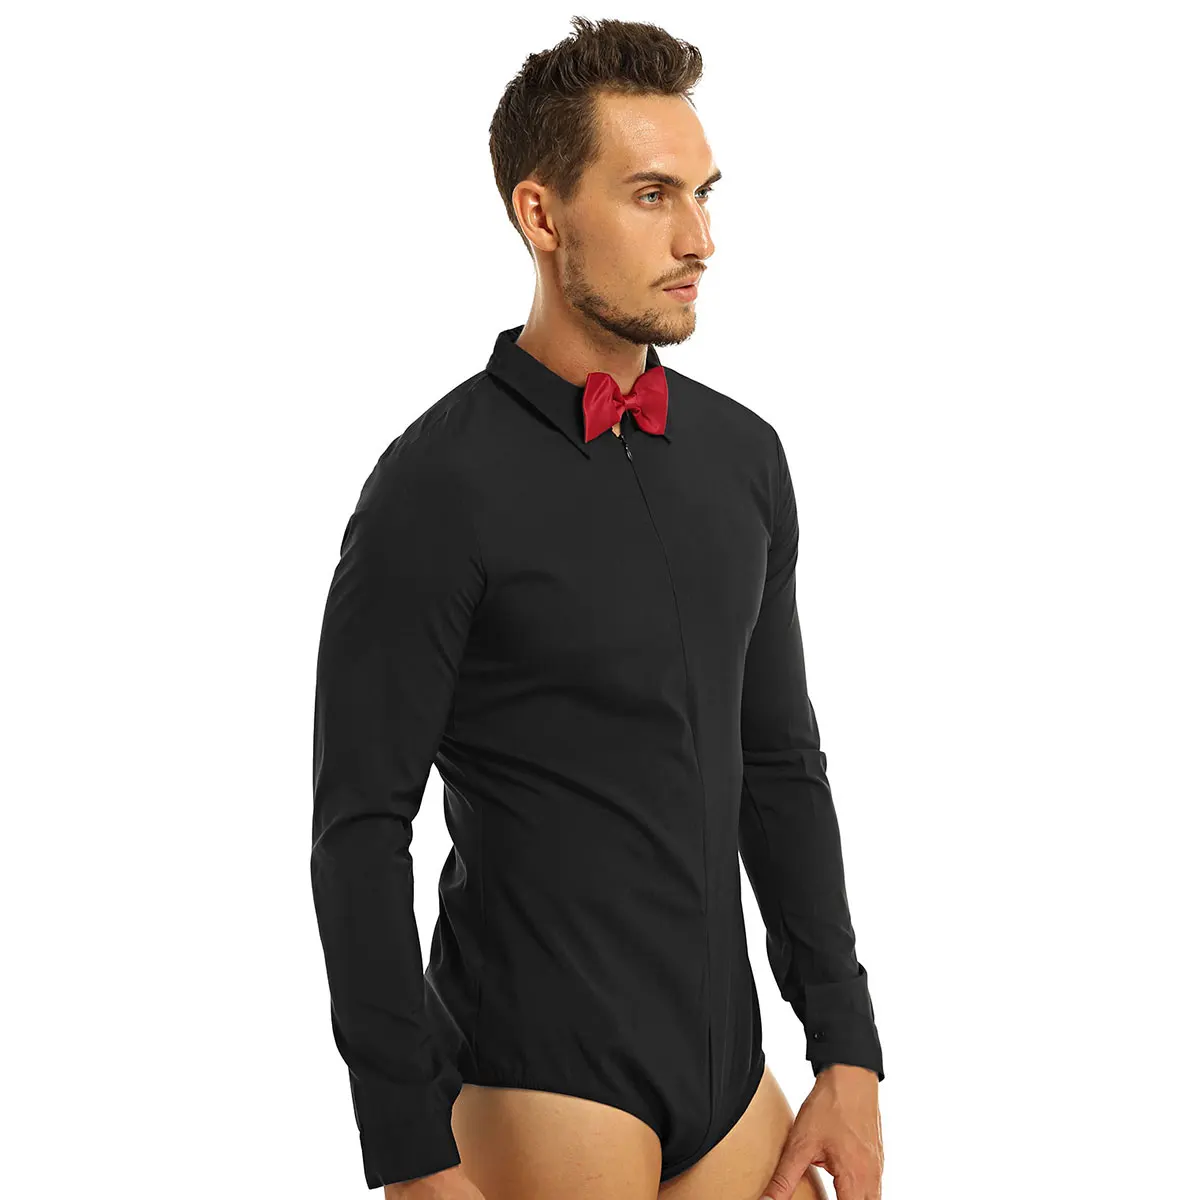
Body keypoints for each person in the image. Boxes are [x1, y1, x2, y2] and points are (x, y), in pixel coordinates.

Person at [310, 16, 885, 1200]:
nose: (699, 238)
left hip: (731, 1078)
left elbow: (779, 765)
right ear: (541, 213)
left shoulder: (743, 458)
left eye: (703, 195)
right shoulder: (436, 486)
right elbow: (360, 830)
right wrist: (407, 1148)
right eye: (652, 195)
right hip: (545, 1079)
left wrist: (847, 1049)